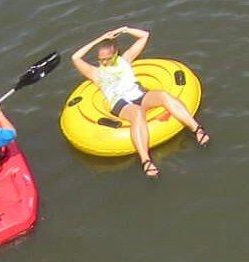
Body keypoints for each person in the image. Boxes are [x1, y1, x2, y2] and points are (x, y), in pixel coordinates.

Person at [70, 27, 208, 178]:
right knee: (136, 112)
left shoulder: (125, 60)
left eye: (106, 59)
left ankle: (197, 129)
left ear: (115, 54)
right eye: (100, 59)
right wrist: (100, 38)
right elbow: (75, 57)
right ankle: (146, 160)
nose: (103, 62)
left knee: (163, 96)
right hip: (119, 103)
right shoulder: (96, 73)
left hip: (138, 95)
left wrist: (125, 29)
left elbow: (144, 36)